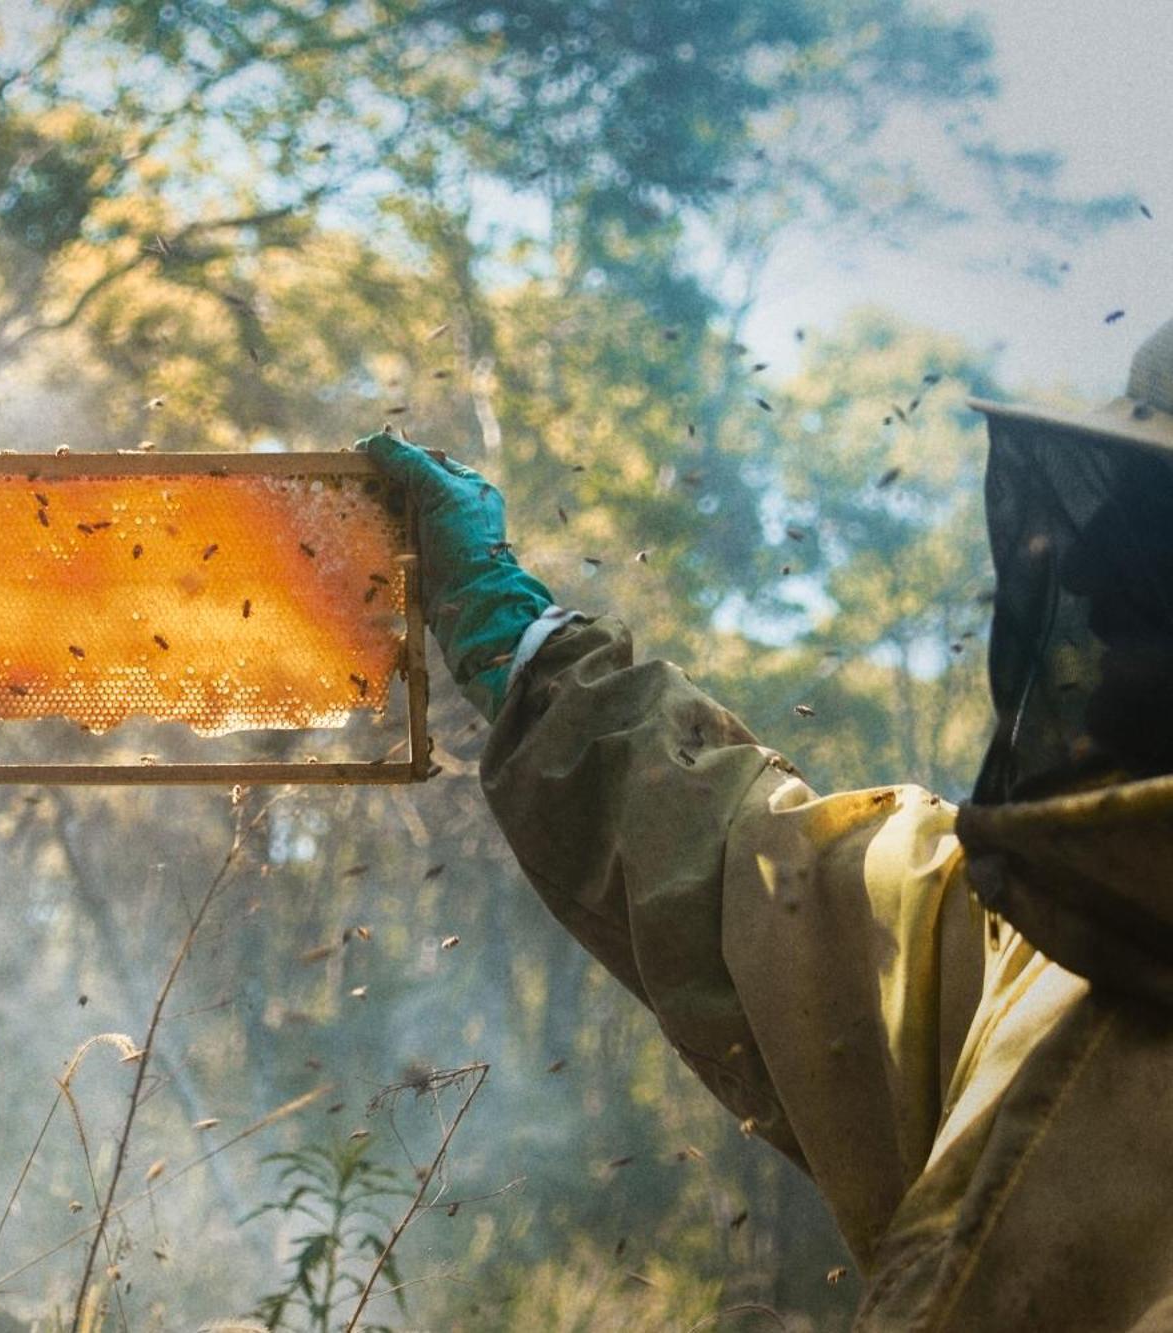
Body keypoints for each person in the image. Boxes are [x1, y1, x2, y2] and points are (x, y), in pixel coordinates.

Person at [363, 316, 1173, 1330]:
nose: (1090, 573)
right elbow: (754, 872)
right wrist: (513, 635)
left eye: (1143, 524)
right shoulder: (1054, 934)